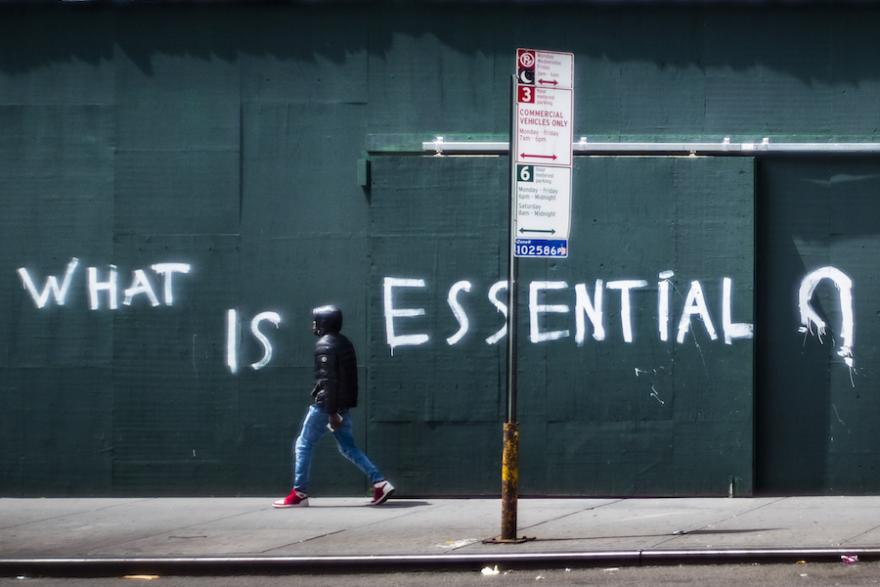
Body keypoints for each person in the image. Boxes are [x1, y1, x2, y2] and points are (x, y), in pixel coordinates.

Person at [273, 305, 395, 508]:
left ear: (324, 323)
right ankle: (380, 482)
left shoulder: (325, 345)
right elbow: (349, 379)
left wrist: (331, 413)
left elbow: (328, 380)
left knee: (303, 444)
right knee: (348, 447)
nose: (313, 325)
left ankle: (299, 493)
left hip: (326, 407)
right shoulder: (344, 343)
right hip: (341, 406)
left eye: (316, 321)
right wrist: (343, 408)